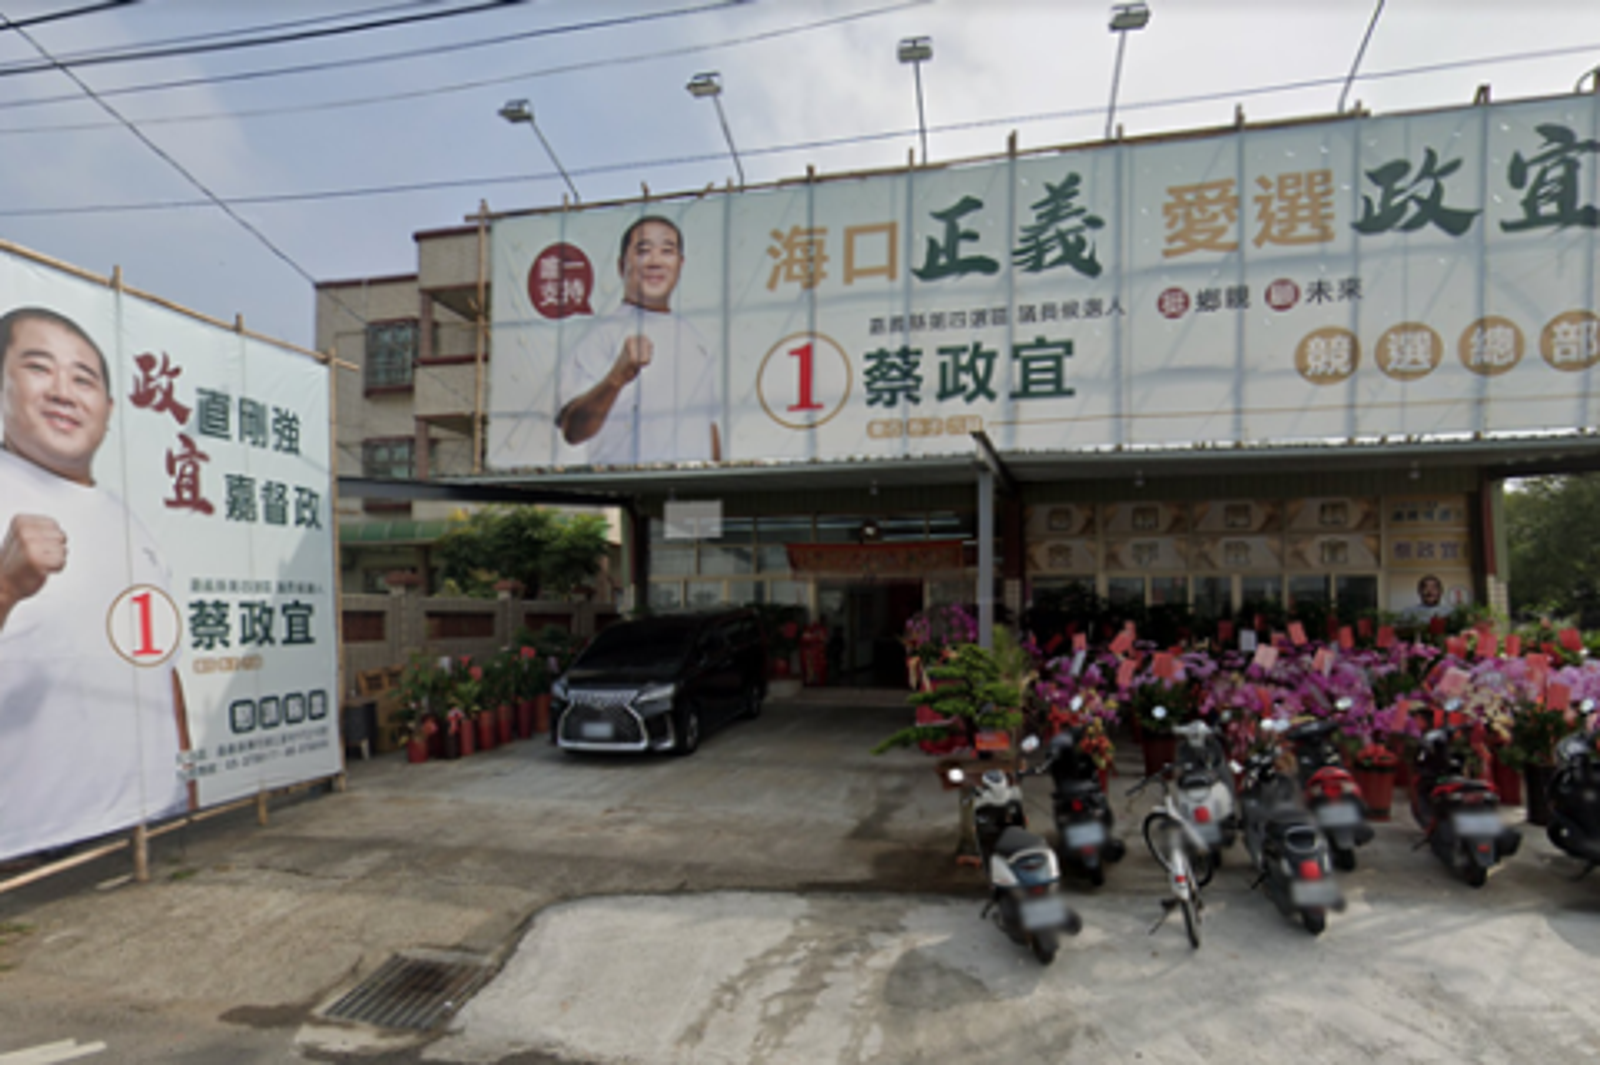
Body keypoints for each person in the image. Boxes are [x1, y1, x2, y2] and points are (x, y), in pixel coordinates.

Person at [0, 306, 192, 862]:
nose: (65, 391)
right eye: (39, 368)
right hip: (26, 850)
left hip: (151, 821)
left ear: (108, 410)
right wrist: (7, 587)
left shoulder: (128, 521)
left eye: (84, 379)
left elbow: (161, 665)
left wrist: (186, 777)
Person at [557, 216, 721, 465]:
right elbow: (573, 430)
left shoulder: (695, 339)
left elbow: (708, 425)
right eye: (643, 251)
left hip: (694, 495)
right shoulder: (602, 333)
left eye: (667, 251)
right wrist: (617, 377)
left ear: (680, 264)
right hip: (630, 492)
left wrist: (717, 484)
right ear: (622, 266)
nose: (656, 261)